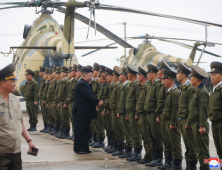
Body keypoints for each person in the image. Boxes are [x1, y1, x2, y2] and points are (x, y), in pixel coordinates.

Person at [0, 63, 36, 170]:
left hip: (16, 151)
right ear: (2, 82)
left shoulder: (14, 99)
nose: (15, 84)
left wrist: (29, 141)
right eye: (12, 81)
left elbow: (20, 122)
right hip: (1, 153)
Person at [72, 67, 103, 154]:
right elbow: (88, 96)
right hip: (80, 112)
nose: (91, 78)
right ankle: (79, 149)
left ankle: (85, 148)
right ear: (84, 75)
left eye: (91, 76)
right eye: (89, 76)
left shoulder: (86, 83)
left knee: (86, 131)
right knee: (80, 131)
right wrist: (97, 102)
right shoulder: (82, 84)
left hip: (85, 112)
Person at [186, 65, 210, 170]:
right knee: (199, 150)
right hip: (195, 123)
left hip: (200, 125)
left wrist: (202, 126)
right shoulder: (197, 90)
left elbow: (203, 110)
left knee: (203, 151)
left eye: (191, 78)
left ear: (195, 79)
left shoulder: (203, 92)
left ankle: (206, 168)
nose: (190, 80)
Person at [176, 62, 197, 170]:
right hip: (183, 120)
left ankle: (192, 166)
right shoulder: (184, 87)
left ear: (183, 75)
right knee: (187, 144)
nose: (176, 75)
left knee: (191, 145)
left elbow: (191, 107)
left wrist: (188, 122)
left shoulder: (189, 88)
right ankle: (189, 165)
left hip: (188, 121)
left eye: (178, 73)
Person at [161, 68, 182, 170]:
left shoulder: (175, 92)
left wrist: (173, 123)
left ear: (170, 79)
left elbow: (175, 109)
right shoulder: (169, 91)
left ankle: (177, 165)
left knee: (175, 144)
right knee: (167, 143)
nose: (163, 81)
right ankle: (169, 163)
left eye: (165, 79)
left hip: (171, 121)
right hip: (166, 120)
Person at [145, 64, 163, 167]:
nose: (147, 75)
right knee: (151, 136)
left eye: (148, 73)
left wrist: (157, 115)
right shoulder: (151, 84)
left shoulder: (157, 85)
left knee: (157, 137)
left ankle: (159, 159)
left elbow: (158, 102)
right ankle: (154, 158)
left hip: (154, 114)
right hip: (148, 114)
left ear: (153, 74)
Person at [125, 64, 142, 162]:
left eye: (128, 73)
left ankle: (138, 153)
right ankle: (135, 152)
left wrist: (136, 113)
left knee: (136, 133)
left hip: (134, 113)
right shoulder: (132, 84)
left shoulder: (136, 85)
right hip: (130, 112)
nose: (127, 74)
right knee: (133, 132)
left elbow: (137, 100)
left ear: (131, 74)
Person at [136, 66, 152, 164]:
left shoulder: (147, 87)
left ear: (142, 76)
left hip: (145, 115)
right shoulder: (143, 87)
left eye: (138, 75)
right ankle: (147, 155)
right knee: (144, 136)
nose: (137, 77)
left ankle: (149, 156)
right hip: (141, 114)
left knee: (148, 137)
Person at [118, 67, 134, 159]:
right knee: (125, 132)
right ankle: (127, 150)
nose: (119, 76)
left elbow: (128, 101)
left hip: (125, 112)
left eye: (122, 75)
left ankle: (129, 151)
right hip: (122, 112)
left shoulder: (127, 86)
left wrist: (127, 114)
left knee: (128, 132)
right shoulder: (124, 86)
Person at [209, 62, 222, 170]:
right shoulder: (214, 89)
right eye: (211, 74)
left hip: (221, 124)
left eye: (215, 74)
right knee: (219, 151)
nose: (212, 77)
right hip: (214, 123)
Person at [109, 66, 125, 156]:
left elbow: (119, 100)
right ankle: (116, 147)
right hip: (113, 109)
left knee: (118, 130)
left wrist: (118, 112)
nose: (113, 77)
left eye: (114, 75)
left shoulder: (119, 86)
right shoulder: (115, 85)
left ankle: (120, 149)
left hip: (116, 110)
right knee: (114, 129)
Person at [57, 66, 70, 139]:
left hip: (64, 101)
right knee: (62, 117)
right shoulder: (62, 81)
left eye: (62, 72)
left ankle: (66, 133)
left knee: (65, 118)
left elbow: (67, 93)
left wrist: (66, 103)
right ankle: (63, 132)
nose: (60, 73)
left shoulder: (67, 81)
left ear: (65, 73)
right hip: (61, 101)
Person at [89, 63, 100, 146]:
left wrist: (96, 104)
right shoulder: (92, 81)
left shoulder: (98, 81)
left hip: (96, 103)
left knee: (97, 124)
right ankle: (94, 139)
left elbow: (98, 94)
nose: (93, 72)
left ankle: (99, 141)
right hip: (92, 103)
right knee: (93, 123)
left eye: (95, 70)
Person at [67, 64, 78, 140]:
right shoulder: (72, 81)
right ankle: (74, 133)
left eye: (73, 71)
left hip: (74, 102)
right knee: (72, 118)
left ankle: (76, 134)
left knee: (75, 119)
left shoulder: (77, 81)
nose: (71, 72)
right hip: (70, 102)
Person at [38, 66, 46, 132]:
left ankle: (49, 127)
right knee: (44, 114)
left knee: (47, 114)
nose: (39, 73)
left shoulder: (45, 81)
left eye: (40, 72)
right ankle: (46, 127)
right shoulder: (42, 80)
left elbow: (45, 91)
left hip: (44, 99)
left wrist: (43, 98)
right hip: (41, 98)